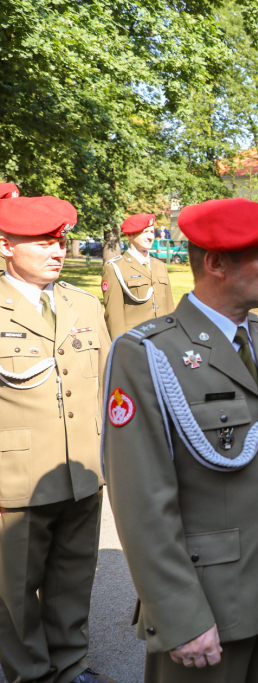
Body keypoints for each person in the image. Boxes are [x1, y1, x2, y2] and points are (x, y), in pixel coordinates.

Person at [102, 197, 258, 683]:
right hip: (207, 602)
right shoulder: (147, 354)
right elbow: (142, 502)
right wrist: (180, 615)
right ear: (216, 263)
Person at [0, 190, 115, 683]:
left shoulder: (84, 305)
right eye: (42, 241)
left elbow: (113, 391)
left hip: (83, 474)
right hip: (14, 482)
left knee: (72, 581)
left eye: (61, 240)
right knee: (14, 594)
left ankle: (69, 668)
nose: (57, 251)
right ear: (5, 245)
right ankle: (30, 674)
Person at [102, 214, 175, 338]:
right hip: (135, 341)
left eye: (152, 232)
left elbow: (170, 308)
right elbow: (114, 317)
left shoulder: (160, 266)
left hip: (163, 339)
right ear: (130, 235)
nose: (150, 237)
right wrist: (121, 347)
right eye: (145, 232)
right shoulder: (115, 268)